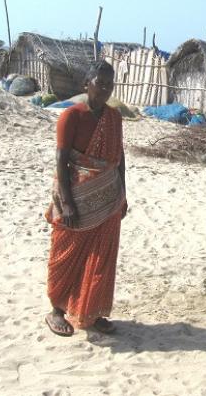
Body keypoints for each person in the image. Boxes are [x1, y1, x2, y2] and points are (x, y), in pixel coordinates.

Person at [43, 60, 127, 336]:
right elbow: (62, 159)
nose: (104, 89)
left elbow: (119, 158)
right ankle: (56, 310)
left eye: (109, 84)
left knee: (102, 257)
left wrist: (122, 194)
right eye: (99, 83)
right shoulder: (71, 116)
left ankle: (93, 312)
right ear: (86, 85)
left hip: (108, 198)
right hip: (75, 196)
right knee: (66, 254)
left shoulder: (114, 118)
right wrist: (67, 202)